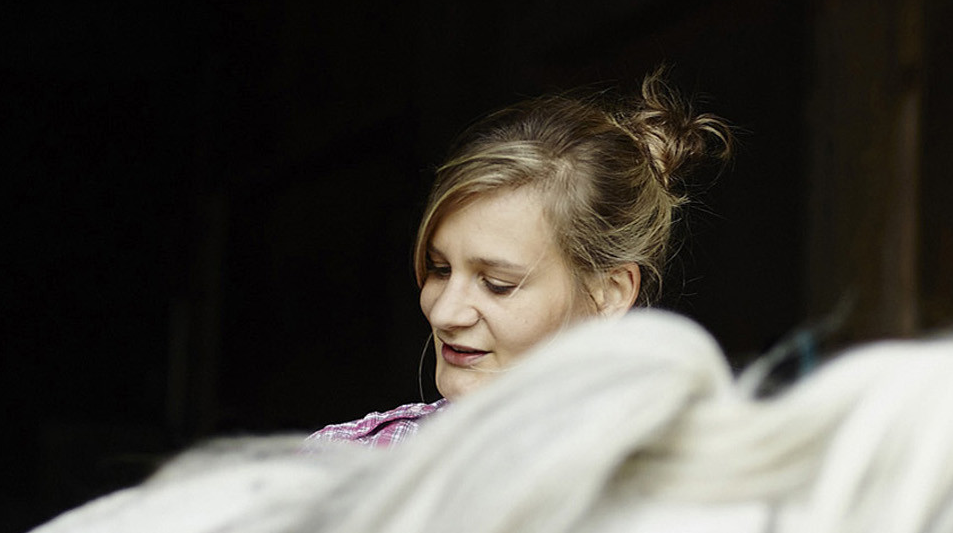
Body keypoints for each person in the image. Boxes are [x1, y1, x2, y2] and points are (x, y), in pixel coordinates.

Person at [309, 71, 732, 448]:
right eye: (440, 269)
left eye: (497, 284)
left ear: (610, 292)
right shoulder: (339, 470)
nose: (444, 313)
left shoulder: (692, 489)